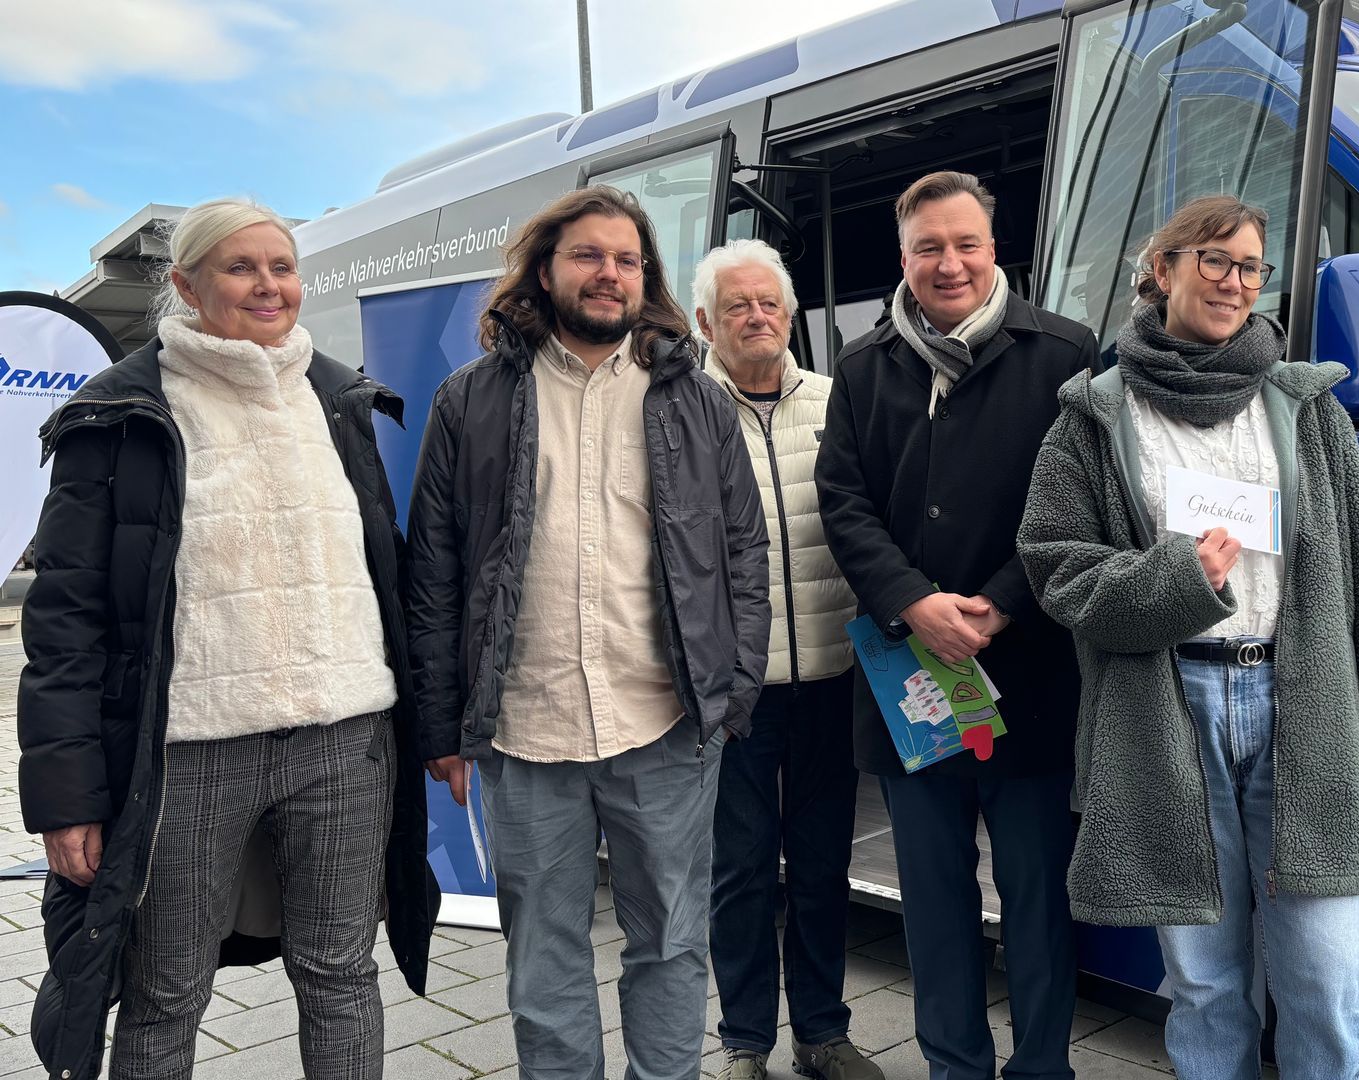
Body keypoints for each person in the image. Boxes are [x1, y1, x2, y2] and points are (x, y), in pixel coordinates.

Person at [1017, 194, 1359, 1080]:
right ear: (1161, 269)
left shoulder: (1306, 407)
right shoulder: (1093, 416)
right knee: (1205, 985)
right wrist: (1179, 580)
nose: (1234, 282)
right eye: (1214, 260)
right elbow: (1056, 571)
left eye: (1251, 266)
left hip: (1304, 705)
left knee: (1325, 978)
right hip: (1168, 709)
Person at [17, 197, 438, 1080]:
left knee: (342, 974)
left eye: (282, 267)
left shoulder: (338, 398)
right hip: (191, 751)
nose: (268, 285)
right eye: (241, 268)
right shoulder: (122, 412)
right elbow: (64, 621)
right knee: (167, 991)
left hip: (346, 739)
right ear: (185, 284)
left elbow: (386, 578)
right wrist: (64, 800)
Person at [405, 186, 770, 1080]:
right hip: (525, 730)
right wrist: (442, 725)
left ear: (646, 278)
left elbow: (742, 553)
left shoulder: (697, 401)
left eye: (627, 259)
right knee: (544, 958)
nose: (610, 273)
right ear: (544, 270)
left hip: (666, 725)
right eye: (589, 255)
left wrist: (732, 693)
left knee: (672, 943)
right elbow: (435, 572)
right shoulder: (469, 401)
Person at [815, 171, 1099, 1080]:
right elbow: (843, 502)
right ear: (903, 258)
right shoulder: (862, 367)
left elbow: (1085, 502)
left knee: (1037, 900)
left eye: (966, 243)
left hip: (1032, 675)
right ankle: (955, 1067)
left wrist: (1003, 599)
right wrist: (911, 601)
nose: (950, 264)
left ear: (993, 248)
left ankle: (1043, 1067)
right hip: (914, 680)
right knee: (934, 904)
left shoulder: (1065, 353)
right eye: (928, 247)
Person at [692, 239, 878, 1080]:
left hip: (833, 677)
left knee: (822, 864)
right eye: (737, 306)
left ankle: (822, 1032)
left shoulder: (839, 403)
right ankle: (744, 1041)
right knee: (738, 871)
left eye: (769, 303)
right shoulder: (683, 416)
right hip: (733, 692)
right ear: (706, 324)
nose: (757, 317)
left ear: (791, 315)